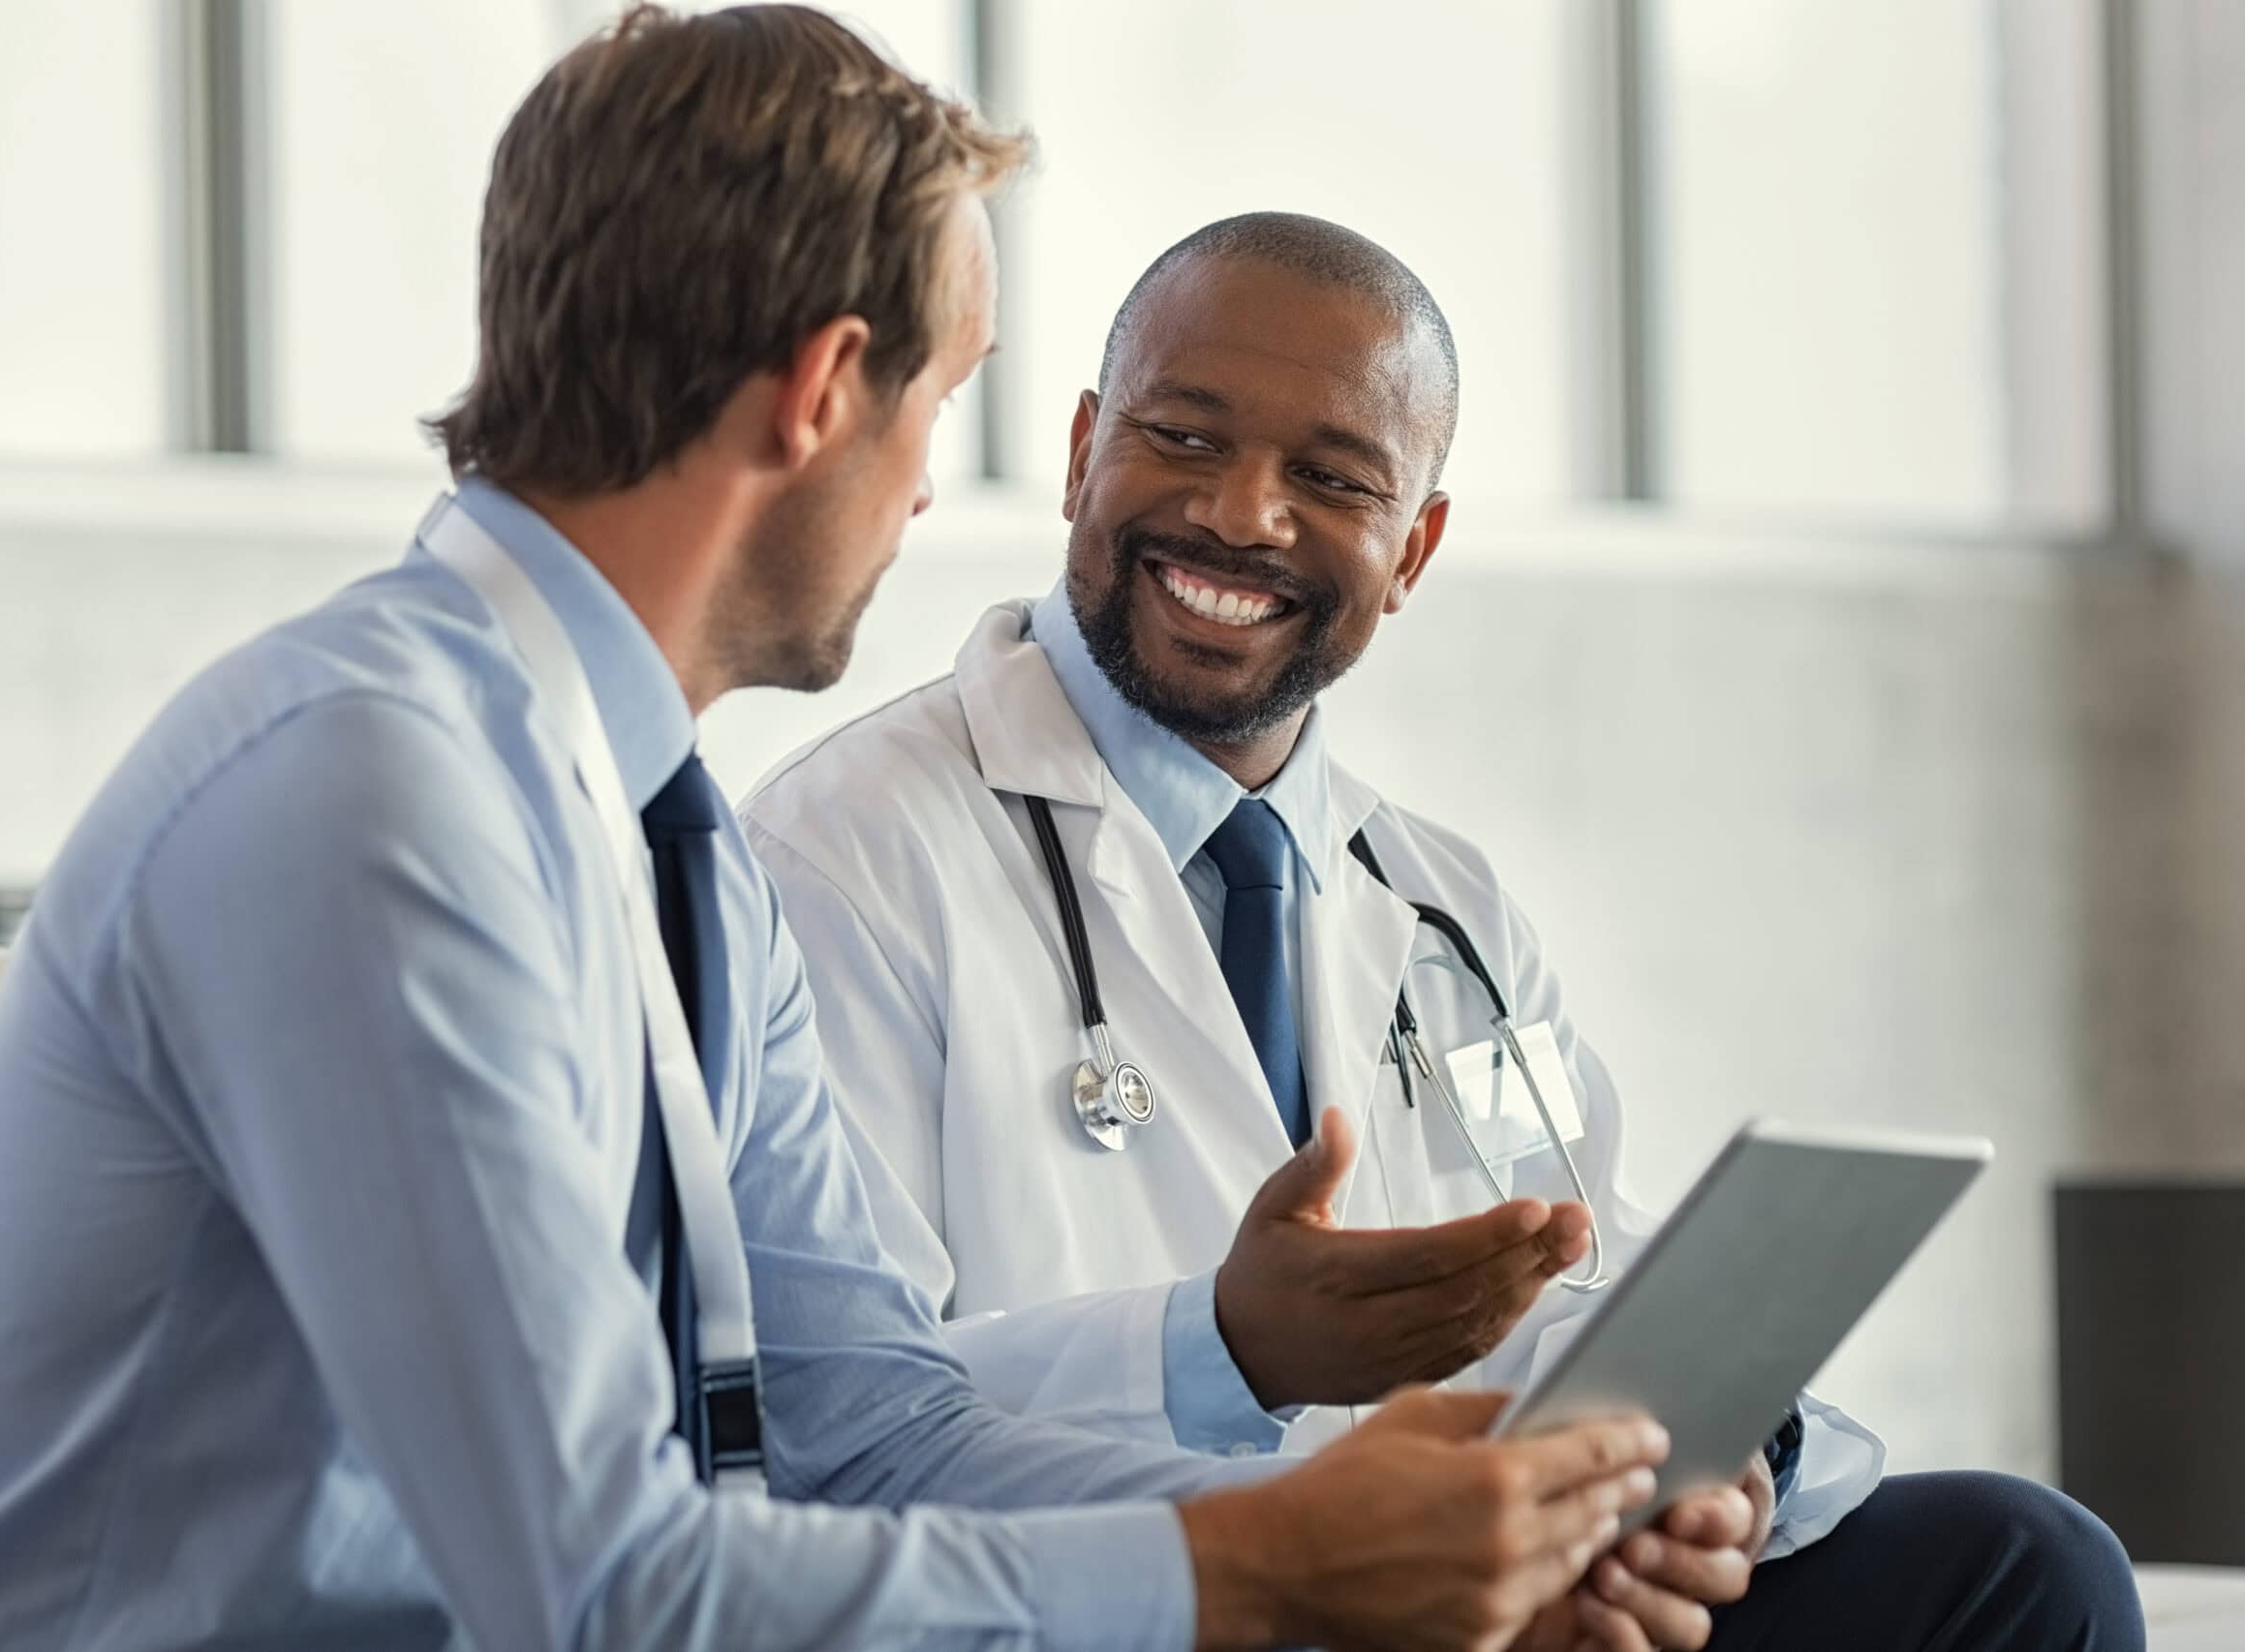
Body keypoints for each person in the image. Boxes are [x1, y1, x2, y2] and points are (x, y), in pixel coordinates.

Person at [0, 14, 1680, 1651]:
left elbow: (870, 1430)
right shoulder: (374, 801)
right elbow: (603, 1584)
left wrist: (1394, 1530)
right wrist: (1276, 1569)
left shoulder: (670, 850)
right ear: (829, 387)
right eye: (944, 399)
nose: (926, 487)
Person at [738, 212, 2146, 1651]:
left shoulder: (1439, 913)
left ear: (1412, 547)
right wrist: (1221, 1349)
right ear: (1085, 448)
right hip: (1152, 1607)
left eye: (1331, 477)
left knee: (2022, 1566)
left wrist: (1719, 1468)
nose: (1241, 514)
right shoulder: (842, 858)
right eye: (1186, 437)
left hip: (1471, 1598)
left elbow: (1574, 1269)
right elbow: (832, 1430)